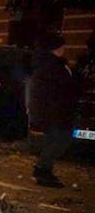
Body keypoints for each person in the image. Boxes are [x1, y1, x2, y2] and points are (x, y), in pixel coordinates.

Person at [28, 33, 81, 188]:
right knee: (60, 139)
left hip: (56, 111)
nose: (64, 49)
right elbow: (61, 89)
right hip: (55, 112)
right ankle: (43, 169)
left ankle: (44, 169)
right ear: (55, 48)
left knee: (56, 140)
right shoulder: (52, 66)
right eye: (62, 46)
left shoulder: (53, 65)